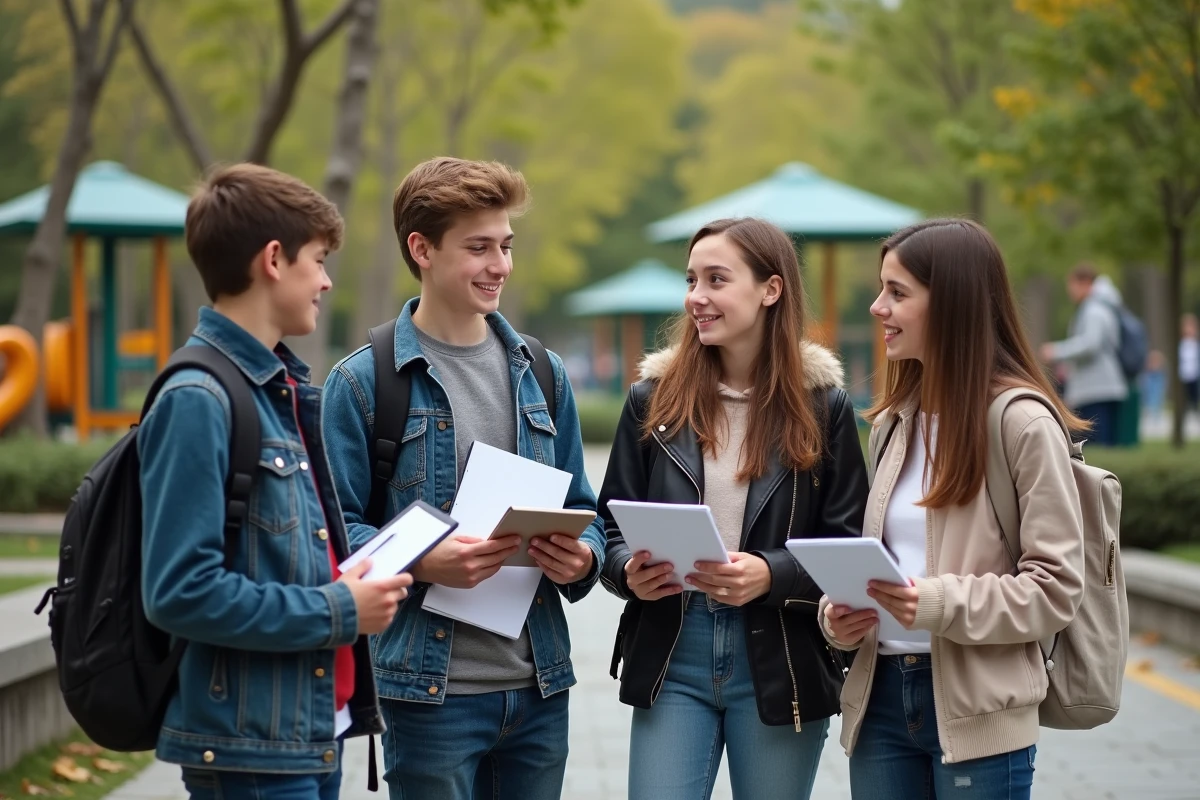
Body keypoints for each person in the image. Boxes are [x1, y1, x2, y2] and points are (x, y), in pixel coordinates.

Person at [321, 156, 605, 800]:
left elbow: (584, 508)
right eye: (479, 248)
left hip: (540, 689)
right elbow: (333, 536)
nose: (500, 265)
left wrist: (581, 558)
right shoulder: (362, 382)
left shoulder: (543, 372)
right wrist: (423, 560)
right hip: (429, 697)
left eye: (506, 246)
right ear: (422, 249)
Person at [139, 163, 411, 799]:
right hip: (252, 752)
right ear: (272, 260)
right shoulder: (198, 398)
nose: (326, 281)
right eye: (317, 260)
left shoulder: (276, 388)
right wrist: (340, 608)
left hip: (307, 734)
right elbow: (179, 592)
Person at [599, 217, 869, 800]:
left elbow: (850, 546)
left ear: (770, 290)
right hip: (673, 648)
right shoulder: (651, 401)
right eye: (691, 280)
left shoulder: (825, 408)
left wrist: (771, 574)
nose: (696, 297)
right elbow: (609, 526)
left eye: (716, 279)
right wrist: (626, 571)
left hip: (781, 653)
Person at [822, 218, 1086, 800]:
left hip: (979, 713)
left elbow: (1056, 589)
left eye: (897, 292)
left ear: (952, 304)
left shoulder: (1022, 423)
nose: (877, 307)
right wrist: (838, 618)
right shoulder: (892, 423)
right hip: (879, 703)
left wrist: (936, 603)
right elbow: (883, 564)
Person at [1041, 265, 1128, 446]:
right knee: (1101, 445)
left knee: (1099, 447)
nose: (1070, 291)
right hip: (1098, 388)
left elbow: (1090, 344)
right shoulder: (1097, 307)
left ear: (1085, 283)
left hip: (1097, 390)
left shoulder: (1094, 310)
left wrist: (1056, 351)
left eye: (1072, 285)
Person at [1179, 313, 1199, 413]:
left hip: (1195, 373)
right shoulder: (1181, 343)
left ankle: (1194, 407)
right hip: (1184, 373)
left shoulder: (1196, 343)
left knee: (1194, 393)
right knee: (1185, 393)